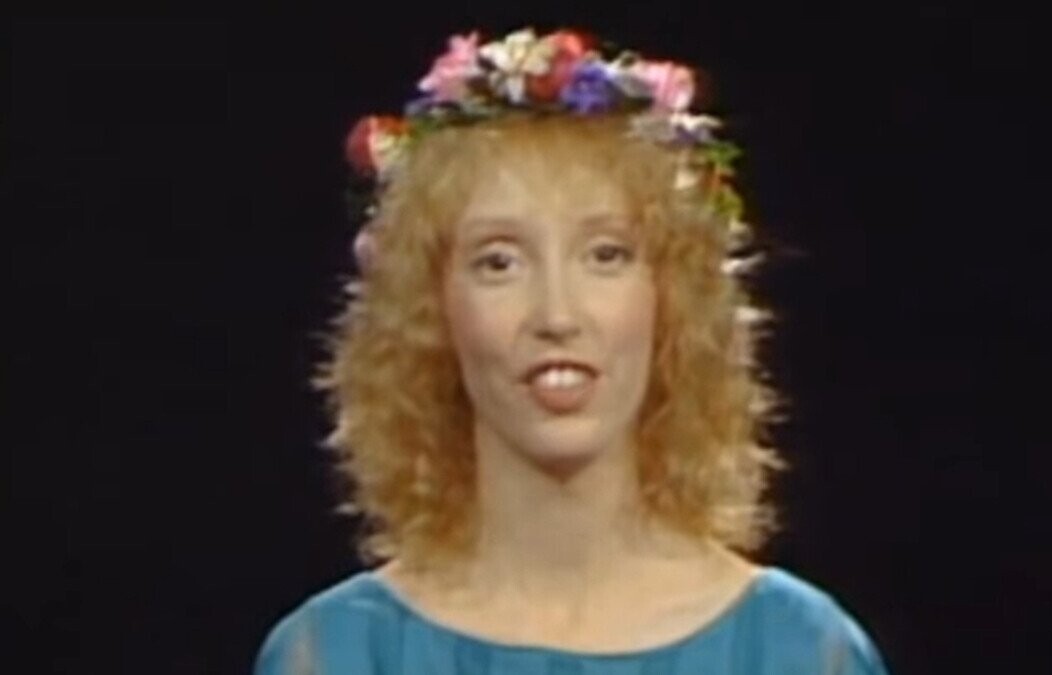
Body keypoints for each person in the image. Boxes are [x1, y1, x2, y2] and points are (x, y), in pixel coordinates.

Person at [255, 27, 891, 674]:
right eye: (499, 262)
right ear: (431, 312)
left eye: (605, 255)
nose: (557, 315)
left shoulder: (802, 651)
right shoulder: (333, 653)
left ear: (672, 299)